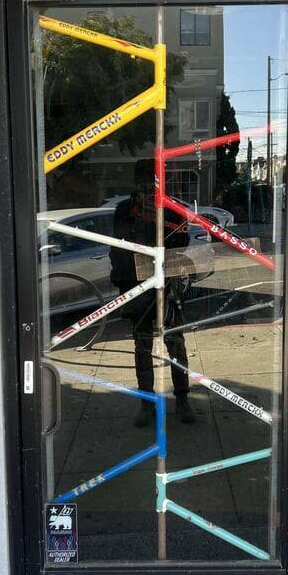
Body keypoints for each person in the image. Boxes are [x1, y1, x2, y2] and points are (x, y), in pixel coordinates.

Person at [110, 159, 196, 426]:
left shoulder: (173, 209)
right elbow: (117, 247)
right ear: (136, 184)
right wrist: (125, 286)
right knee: (142, 346)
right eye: (144, 182)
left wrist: (160, 216)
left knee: (176, 345)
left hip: (168, 288)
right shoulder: (125, 210)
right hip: (137, 287)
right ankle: (146, 403)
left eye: (154, 181)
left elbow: (181, 244)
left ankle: (182, 398)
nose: (148, 187)